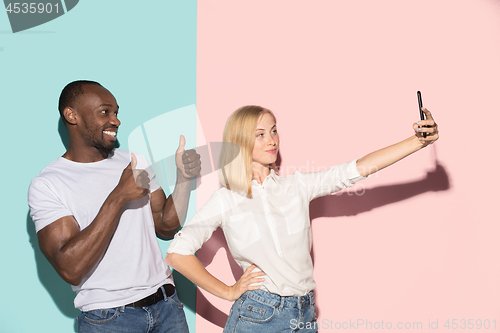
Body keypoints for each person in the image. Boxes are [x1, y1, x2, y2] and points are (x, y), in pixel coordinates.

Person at [165, 104, 439, 332]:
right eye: (260, 134)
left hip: (304, 314)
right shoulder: (225, 200)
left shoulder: (296, 187)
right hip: (258, 316)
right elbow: (177, 253)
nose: (272, 140)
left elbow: (354, 170)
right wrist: (227, 291)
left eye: (273, 131)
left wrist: (417, 142)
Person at [28, 80, 201, 333]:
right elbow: (70, 268)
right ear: (71, 115)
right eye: (104, 112)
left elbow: (165, 225)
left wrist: (183, 179)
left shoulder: (134, 161)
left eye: (116, 112)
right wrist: (118, 197)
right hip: (110, 319)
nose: (115, 120)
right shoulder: (49, 183)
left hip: (167, 306)